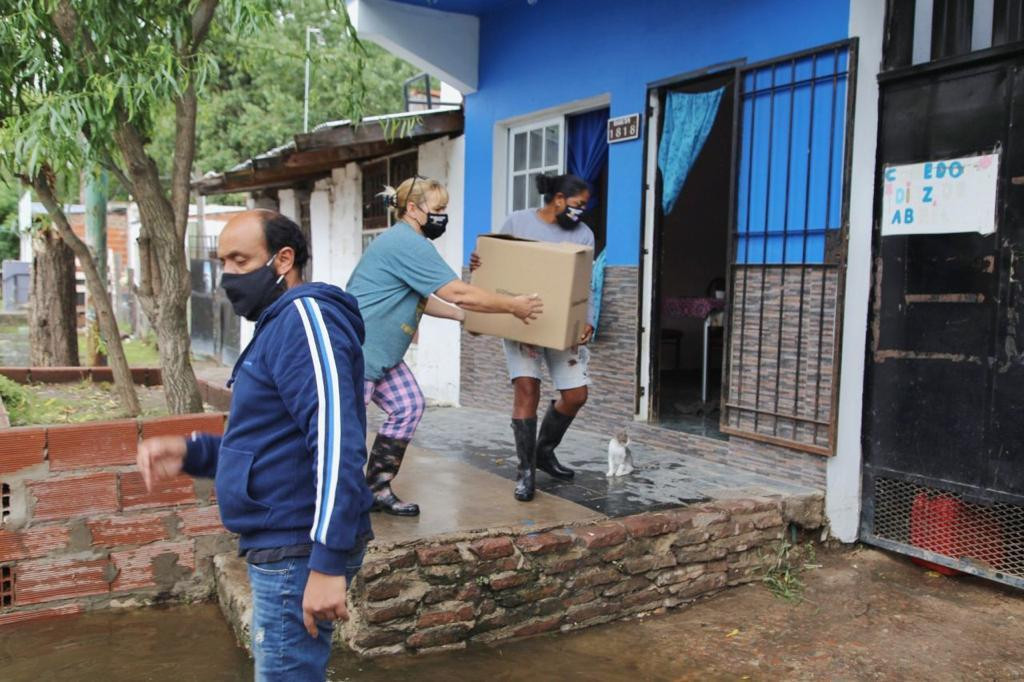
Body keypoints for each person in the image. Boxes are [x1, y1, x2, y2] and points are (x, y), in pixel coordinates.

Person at [136, 210, 372, 682]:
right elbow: (270, 440)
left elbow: (336, 440)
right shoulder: (276, 324)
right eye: (223, 261)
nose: (228, 276)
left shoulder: (305, 318)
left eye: (241, 260)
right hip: (281, 543)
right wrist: (193, 452)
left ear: (283, 259)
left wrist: (326, 562)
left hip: (297, 547)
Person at [347, 175, 544, 516]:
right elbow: (456, 291)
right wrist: (513, 305)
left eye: (445, 209)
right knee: (345, 435)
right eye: (438, 209)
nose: (443, 216)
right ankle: (333, 505)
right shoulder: (406, 243)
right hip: (359, 351)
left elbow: (427, 297)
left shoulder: (410, 242)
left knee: (407, 406)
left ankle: (376, 488)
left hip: (382, 354)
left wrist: (462, 317)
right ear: (413, 209)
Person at [470, 173, 595, 502]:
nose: (582, 211)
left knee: (576, 394)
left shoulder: (583, 234)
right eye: (578, 205)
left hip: (561, 322)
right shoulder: (518, 222)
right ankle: (525, 472)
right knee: (528, 389)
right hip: (521, 320)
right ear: (558, 200)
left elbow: (586, 282)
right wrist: (478, 264)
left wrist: (587, 320)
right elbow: (493, 260)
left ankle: (543, 451)